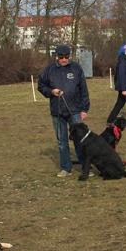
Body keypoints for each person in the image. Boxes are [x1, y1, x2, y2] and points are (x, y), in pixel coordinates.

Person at [38, 44, 90, 177]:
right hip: (57, 111)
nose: (64, 59)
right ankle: (66, 168)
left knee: (80, 140)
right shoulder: (49, 70)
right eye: (61, 57)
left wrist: (84, 109)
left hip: (75, 111)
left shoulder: (76, 68)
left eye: (66, 57)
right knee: (62, 141)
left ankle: (85, 168)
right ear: (56, 57)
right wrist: (51, 91)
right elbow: (41, 85)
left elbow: (83, 89)